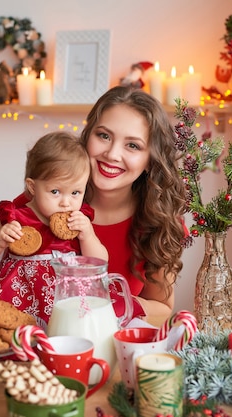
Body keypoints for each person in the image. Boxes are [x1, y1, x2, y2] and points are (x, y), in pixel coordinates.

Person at [0, 131, 108, 325]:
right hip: (18, 301)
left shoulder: (78, 222)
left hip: (65, 303)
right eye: (55, 191)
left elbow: (100, 263)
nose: (66, 203)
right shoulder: (14, 218)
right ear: (33, 187)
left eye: (76, 192)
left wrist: (88, 236)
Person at [79, 85, 187, 318]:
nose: (112, 154)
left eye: (133, 145)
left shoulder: (160, 223)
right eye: (104, 136)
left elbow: (163, 309)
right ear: (88, 136)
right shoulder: (50, 197)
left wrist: (118, 308)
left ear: (150, 160)